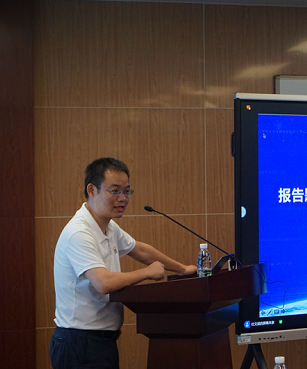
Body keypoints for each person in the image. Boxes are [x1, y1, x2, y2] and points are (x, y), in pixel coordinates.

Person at [49, 157, 196, 369]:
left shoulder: (108, 226)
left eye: (127, 191)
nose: (123, 198)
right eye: (115, 191)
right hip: (78, 343)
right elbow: (103, 283)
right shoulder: (79, 233)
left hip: (102, 341)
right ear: (92, 190)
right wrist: (147, 273)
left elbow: (140, 250)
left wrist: (182, 269)